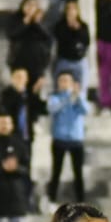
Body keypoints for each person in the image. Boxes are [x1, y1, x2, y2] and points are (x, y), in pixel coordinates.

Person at [46, 70, 88, 203]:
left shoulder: (79, 97)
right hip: (59, 139)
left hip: (76, 140)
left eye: (66, 80)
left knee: (78, 173)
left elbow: (86, 110)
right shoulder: (54, 97)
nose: (64, 83)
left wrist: (77, 97)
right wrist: (67, 99)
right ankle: (52, 200)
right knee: (56, 171)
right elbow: (52, 109)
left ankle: (81, 201)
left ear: (72, 83)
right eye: (61, 80)